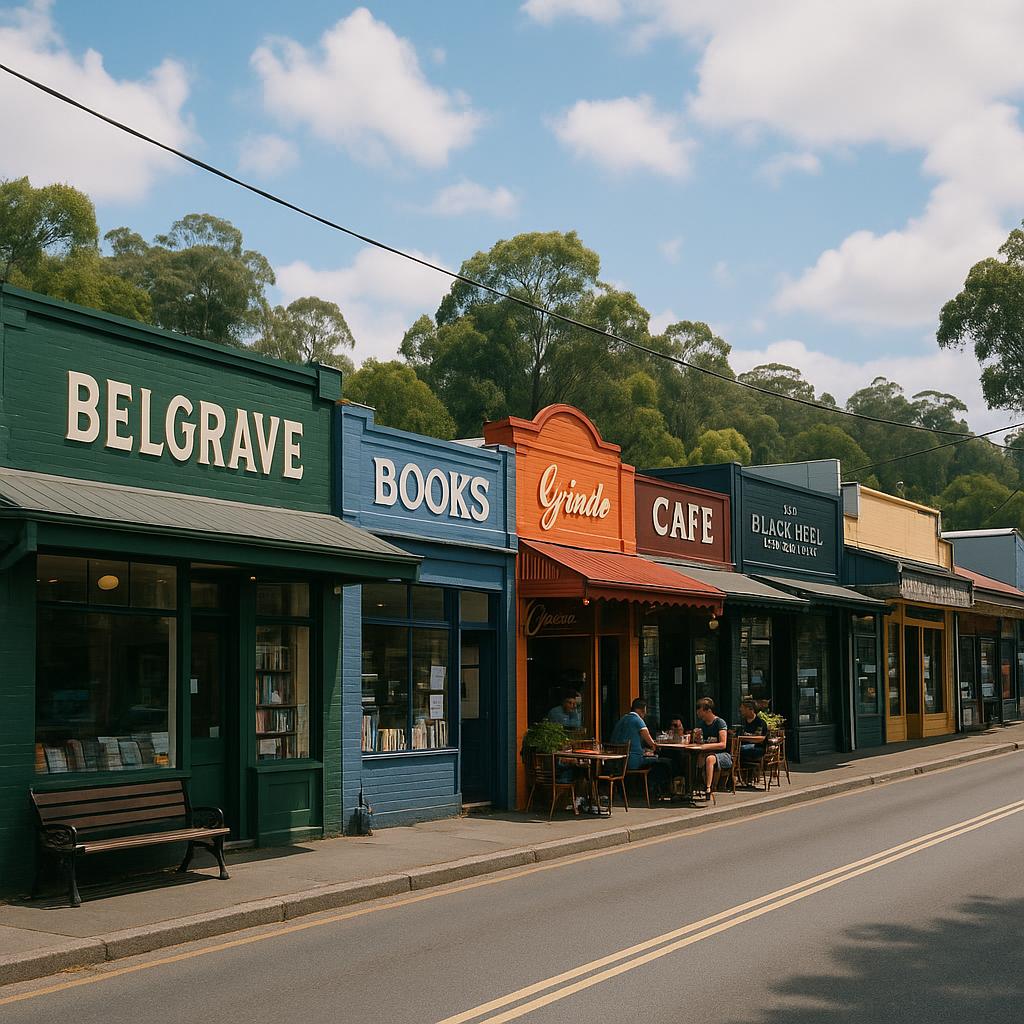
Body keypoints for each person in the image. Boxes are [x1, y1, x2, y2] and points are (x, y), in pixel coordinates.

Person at [610, 698, 672, 798]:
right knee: (665, 762)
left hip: (619, 762)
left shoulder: (622, 719)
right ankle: (660, 792)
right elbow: (650, 741)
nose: (645, 713)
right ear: (642, 709)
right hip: (633, 761)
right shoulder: (637, 720)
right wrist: (654, 747)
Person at [695, 697, 731, 795]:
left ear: (708, 711)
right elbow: (700, 742)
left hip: (722, 754)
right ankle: (695, 784)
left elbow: (723, 744)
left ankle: (708, 788)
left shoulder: (719, 722)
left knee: (710, 759)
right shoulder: (701, 724)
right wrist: (697, 738)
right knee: (695, 757)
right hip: (706, 752)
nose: (697, 712)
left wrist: (705, 747)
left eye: (700, 710)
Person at [736, 697, 769, 779]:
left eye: (743, 708)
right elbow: (737, 734)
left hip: (757, 747)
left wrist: (743, 738)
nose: (740, 710)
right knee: (732, 750)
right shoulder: (742, 722)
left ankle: (747, 776)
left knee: (740, 750)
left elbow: (759, 738)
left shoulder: (760, 722)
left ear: (750, 709)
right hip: (742, 745)